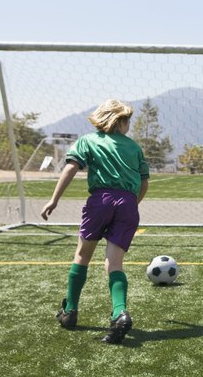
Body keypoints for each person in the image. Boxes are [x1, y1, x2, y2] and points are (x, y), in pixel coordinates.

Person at [41, 99, 149, 344]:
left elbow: (70, 169)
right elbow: (144, 182)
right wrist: (132, 205)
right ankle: (119, 313)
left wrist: (54, 199)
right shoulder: (133, 147)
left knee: (82, 255)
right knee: (115, 263)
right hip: (128, 203)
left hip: (100, 201)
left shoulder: (87, 141)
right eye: (127, 120)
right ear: (119, 121)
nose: (129, 125)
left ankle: (70, 312)